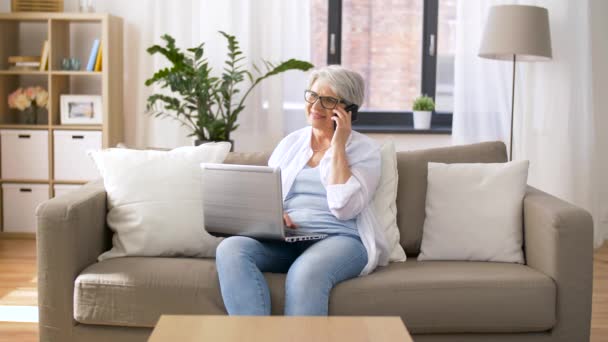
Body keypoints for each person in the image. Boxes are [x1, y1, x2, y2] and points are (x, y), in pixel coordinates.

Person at [215, 65, 389, 316]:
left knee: (305, 272)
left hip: (340, 238)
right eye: (312, 96)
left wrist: (338, 144)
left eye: (328, 101)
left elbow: (344, 207)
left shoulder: (365, 151)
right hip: (288, 237)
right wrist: (273, 214)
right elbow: (267, 193)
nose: (316, 106)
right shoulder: (290, 144)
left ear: (348, 110)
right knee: (231, 249)